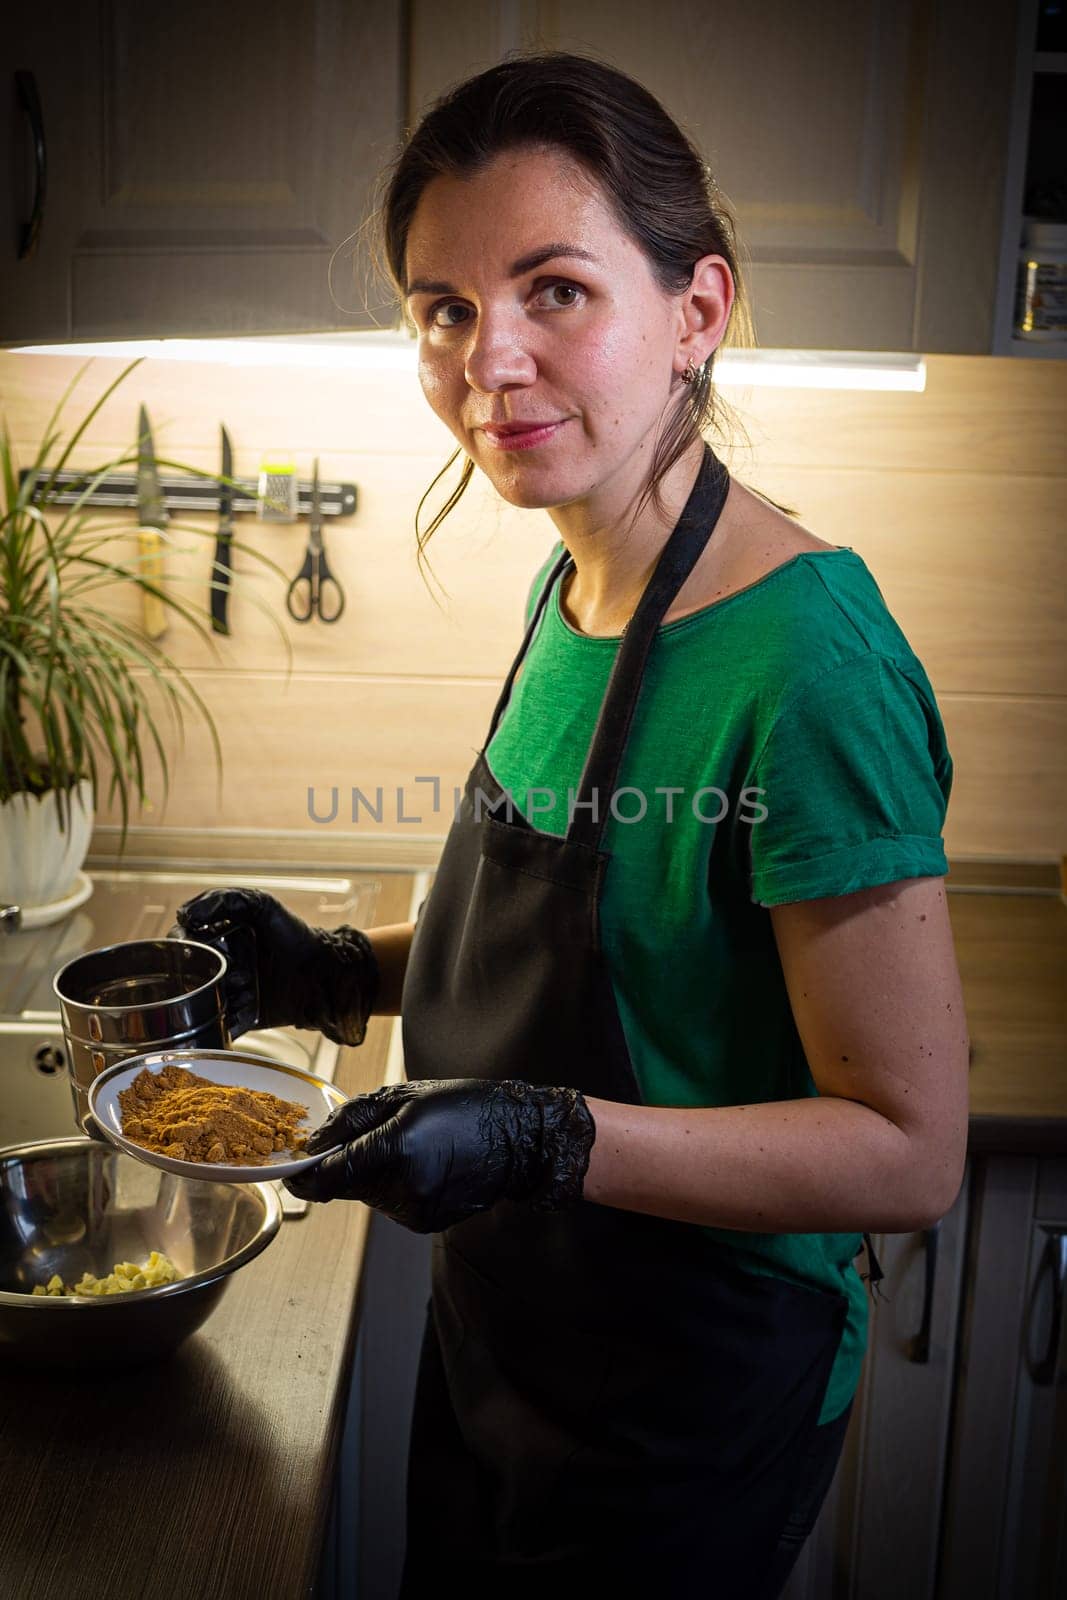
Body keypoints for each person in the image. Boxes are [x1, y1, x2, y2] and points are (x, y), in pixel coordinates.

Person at [175, 52, 970, 1600]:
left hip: (687, 1392)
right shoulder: (575, 579)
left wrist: (552, 1136)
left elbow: (907, 1150)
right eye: (445, 308)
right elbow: (593, 936)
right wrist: (332, 971)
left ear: (697, 312)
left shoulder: (808, 659)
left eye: (555, 291)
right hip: (512, 1333)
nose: (491, 365)